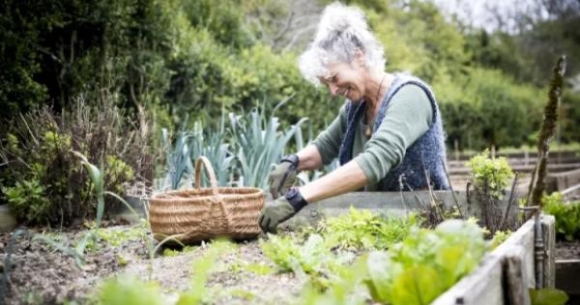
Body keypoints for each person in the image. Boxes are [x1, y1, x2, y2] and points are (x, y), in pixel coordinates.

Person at [258, 2, 450, 234]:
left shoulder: (410, 95)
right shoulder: (356, 107)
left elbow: (376, 159)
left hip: (425, 224)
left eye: (334, 78)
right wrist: (293, 162)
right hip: (379, 222)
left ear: (358, 57)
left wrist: (299, 197)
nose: (332, 90)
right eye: (326, 84)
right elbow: (324, 147)